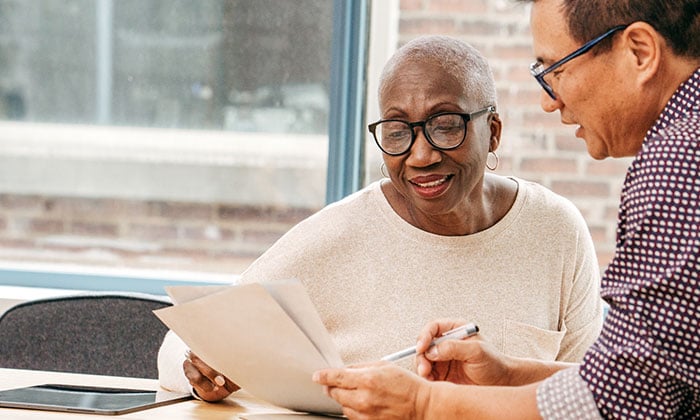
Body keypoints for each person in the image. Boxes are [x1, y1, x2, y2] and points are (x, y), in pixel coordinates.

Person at [158, 34, 604, 403]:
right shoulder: (336, 235)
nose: (421, 154)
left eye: (445, 124)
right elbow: (183, 341)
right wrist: (204, 373)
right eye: (397, 131)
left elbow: (593, 395)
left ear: (493, 132)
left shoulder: (556, 231)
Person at [313, 0, 700, 418]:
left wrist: (423, 404)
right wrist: (508, 375)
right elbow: (651, 381)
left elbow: (624, 400)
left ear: (639, 51)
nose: (549, 102)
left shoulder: (677, 163)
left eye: (557, 70)